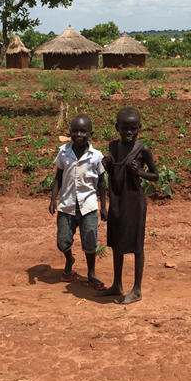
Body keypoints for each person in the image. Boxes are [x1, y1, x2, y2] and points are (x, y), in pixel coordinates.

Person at [97, 107, 158, 304]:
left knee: (137, 245)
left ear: (140, 128)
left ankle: (137, 289)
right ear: (117, 128)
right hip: (116, 200)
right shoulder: (113, 147)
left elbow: (155, 176)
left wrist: (140, 172)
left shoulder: (143, 150)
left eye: (133, 128)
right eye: (125, 128)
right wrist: (107, 163)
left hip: (133, 202)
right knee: (117, 244)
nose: (129, 132)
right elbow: (112, 169)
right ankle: (117, 284)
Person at [49, 114, 108, 289]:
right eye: (75, 131)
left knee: (90, 240)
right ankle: (69, 260)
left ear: (91, 133)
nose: (79, 134)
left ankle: (91, 273)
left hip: (88, 205)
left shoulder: (96, 156)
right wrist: (53, 198)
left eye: (83, 131)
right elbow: (58, 177)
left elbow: (102, 183)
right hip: (66, 205)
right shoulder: (64, 152)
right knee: (62, 240)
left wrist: (103, 206)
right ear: (70, 132)